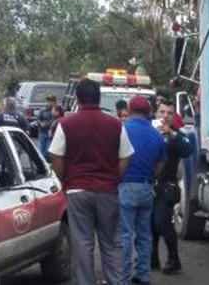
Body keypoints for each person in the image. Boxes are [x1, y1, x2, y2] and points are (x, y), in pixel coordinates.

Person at [48, 78, 134, 285]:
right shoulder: (115, 124)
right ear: (98, 97)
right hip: (107, 190)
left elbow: (55, 156)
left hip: (77, 191)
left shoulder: (65, 124)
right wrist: (115, 177)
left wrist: (66, 179)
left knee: (82, 243)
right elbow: (126, 155)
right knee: (111, 243)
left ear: (77, 98)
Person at [119, 96, 165, 284]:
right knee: (144, 234)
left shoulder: (122, 131)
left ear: (129, 110)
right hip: (147, 187)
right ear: (148, 112)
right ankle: (143, 275)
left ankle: (123, 278)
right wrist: (151, 177)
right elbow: (161, 163)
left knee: (124, 235)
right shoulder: (156, 134)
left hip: (126, 185)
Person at [152, 98, 194, 274]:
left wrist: (172, 133)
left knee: (162, 222)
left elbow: (188, 150)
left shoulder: (177, 135)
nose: (165, 116)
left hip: (167, 185)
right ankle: (152, 258)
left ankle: (173, 258)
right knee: (150, 224)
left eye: (169, 113)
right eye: (162, 112)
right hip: (148, 185)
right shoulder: (150, 131)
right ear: (156, 113)